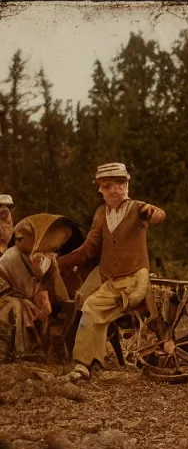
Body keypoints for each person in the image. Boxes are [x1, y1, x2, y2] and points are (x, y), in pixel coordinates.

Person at [58, 162, 166, 381]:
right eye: (109, 186)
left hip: (134, 278)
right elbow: (89, 247)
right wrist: (60, 262)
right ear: (101, 189)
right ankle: (91, 363)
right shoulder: (101, 214)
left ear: (127, 185)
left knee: (94, 308)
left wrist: (153, 212)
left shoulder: (138, 208)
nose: (116, 190)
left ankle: (85, 363)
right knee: (88, 306)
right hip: (110, 278)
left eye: (121, 184)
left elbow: (157, 215)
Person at [0, 218, 56, 360]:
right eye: (17, 239)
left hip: (28, 300)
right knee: (16, 307)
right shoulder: (9, 257)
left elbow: (42, 286)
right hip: (8, 299)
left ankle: (28, 349)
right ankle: (14, 350)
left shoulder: (43, 258)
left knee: (24, 307)